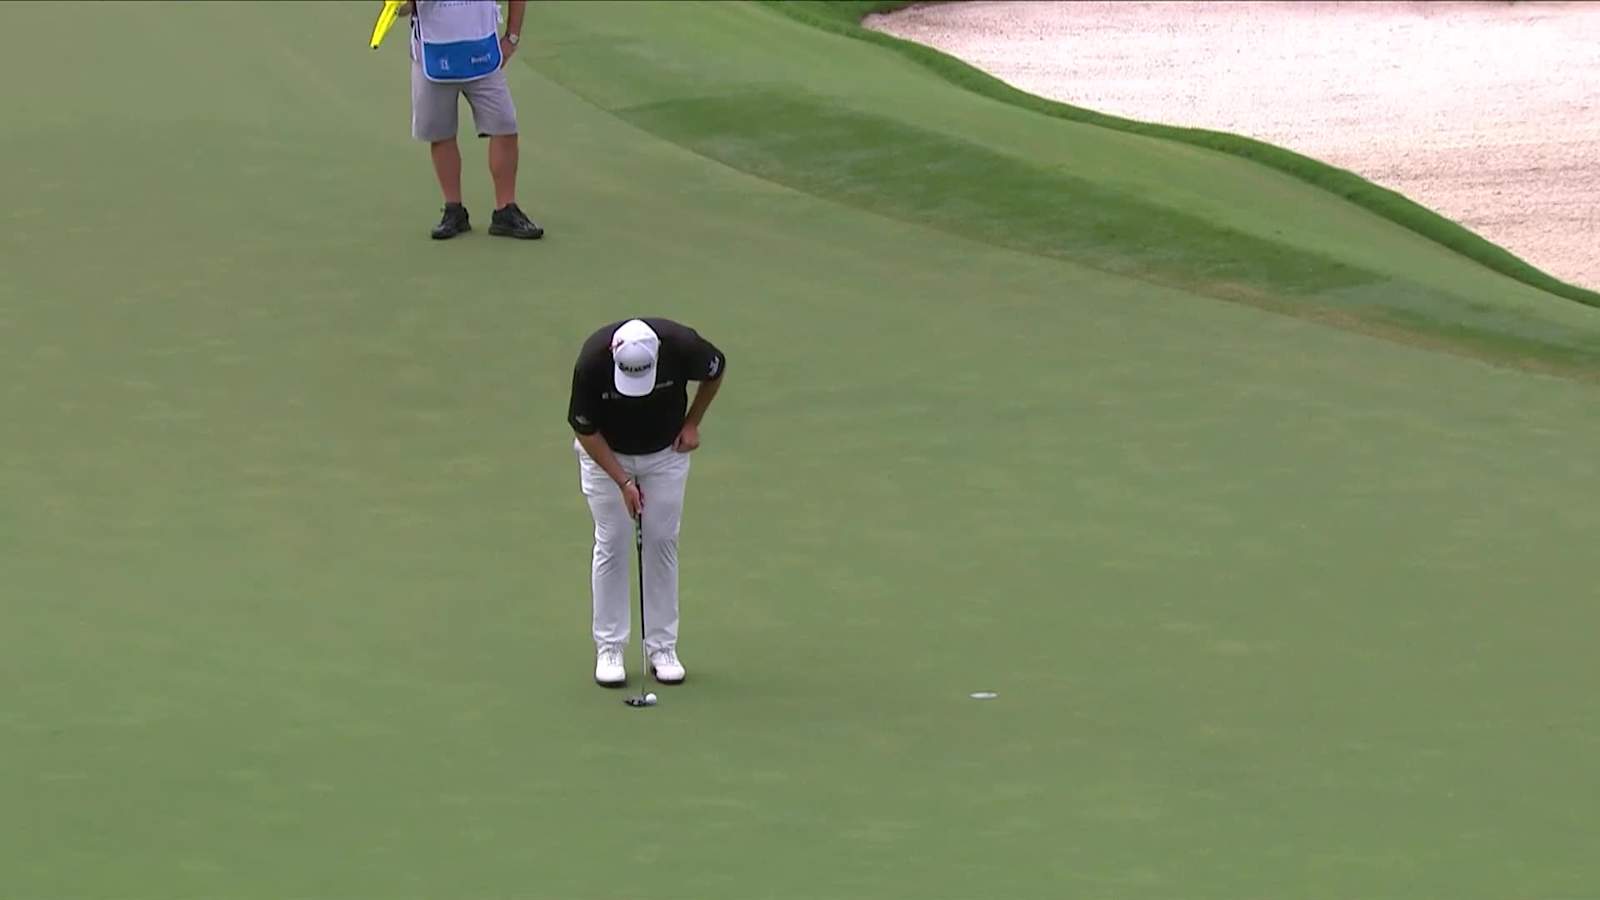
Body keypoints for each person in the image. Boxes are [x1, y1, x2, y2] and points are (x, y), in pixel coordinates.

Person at [567, 318, 727, 687]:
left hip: (666, 453)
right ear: (613, 355)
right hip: (607, 455)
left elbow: (717, 369)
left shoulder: (682, 344)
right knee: (612, 541)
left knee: (661, 540)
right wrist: (623, 481)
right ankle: (609, 648)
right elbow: (584, 428)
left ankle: (662, 648)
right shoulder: (591, 361)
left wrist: (693, 422)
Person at [400, 0, 543, 240]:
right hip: (432, 53)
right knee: (441, 133)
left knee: (505, 125)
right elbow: (401, 8)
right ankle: (453, 209)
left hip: (482, 50)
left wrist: (512, 38)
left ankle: (505, 210)